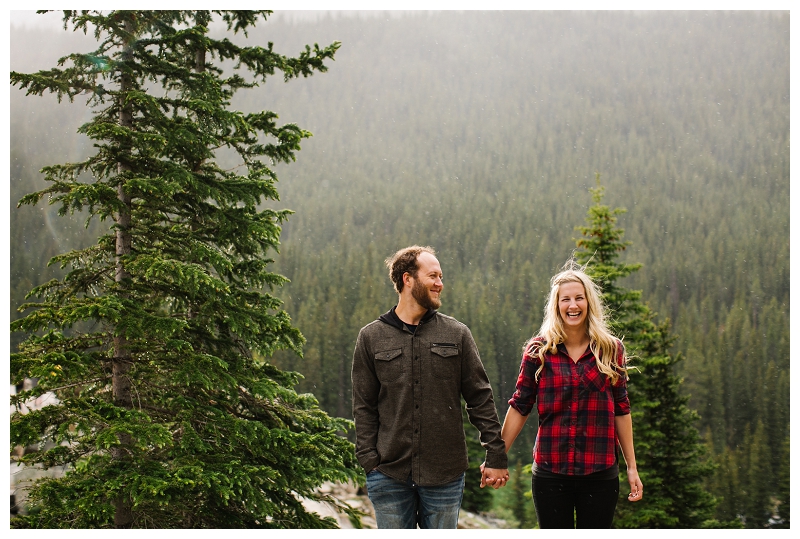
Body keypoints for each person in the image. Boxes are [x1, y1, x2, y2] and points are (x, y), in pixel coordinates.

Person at [351, 245, 509, 529]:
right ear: (407, 279)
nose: (440, 284)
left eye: (441, 276)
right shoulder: (371, 337)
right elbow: (364, 405)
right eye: (433, 276)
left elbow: (480, 398)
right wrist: (369, 459)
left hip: (445, 475)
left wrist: (495, 454)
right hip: (388, 473)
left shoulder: (457, 334)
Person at [497, 263, 643, 528]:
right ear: (556, 305)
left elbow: (621, 409)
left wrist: (631, 466)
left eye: (579, 298)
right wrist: (497, 456)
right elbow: (520, 405)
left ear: (589, 302)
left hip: (600, 473)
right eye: (565, 299)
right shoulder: (538, 351)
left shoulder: (611, 349)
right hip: (550, 474)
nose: (572, 305)